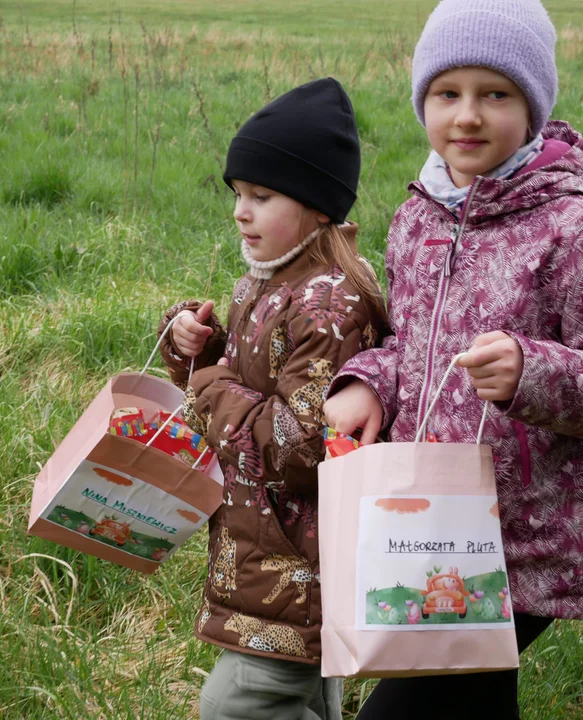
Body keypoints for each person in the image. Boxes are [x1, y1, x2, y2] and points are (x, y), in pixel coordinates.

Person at [323, 1, 583, 716]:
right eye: (448, 93)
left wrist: (531, 373)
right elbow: (413, 348)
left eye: (495, 94)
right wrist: (368, 381)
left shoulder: (572, 225)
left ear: (532, 106)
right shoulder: (420, 215)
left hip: (524, 538)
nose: (467, 116)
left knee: (411, 707)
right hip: (433, 527)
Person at [157, 78, 386, 720]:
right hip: (267, 558)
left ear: (318, 207)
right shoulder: (268, 281)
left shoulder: (330, 304)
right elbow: (247, 378)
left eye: (262, 195)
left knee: (236, 705)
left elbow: (303, 445)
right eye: (237, 194)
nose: (240, 211)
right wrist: (195, 344)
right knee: (300, 701)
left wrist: (209, 385)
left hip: (300, 567)